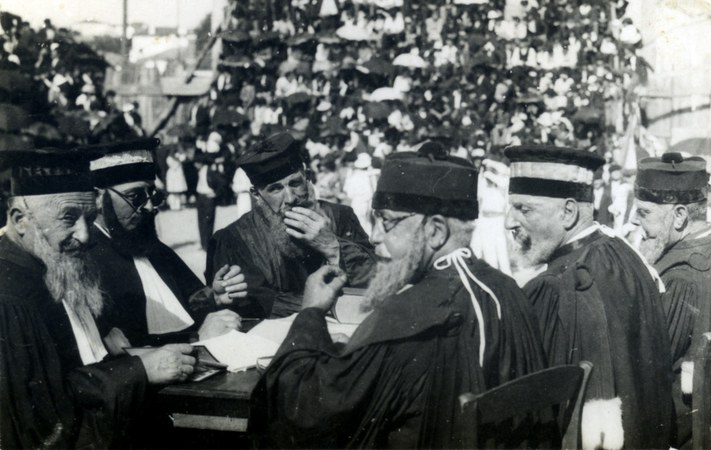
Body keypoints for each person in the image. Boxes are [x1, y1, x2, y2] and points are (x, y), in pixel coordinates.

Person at [249, 142, 555, 448]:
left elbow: (306, 408)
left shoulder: (403, 318)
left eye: (387, 221)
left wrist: (310, 315)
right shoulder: (507, 289)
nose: (375, 236)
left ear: (435, 231)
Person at [0, 148, 195, 448]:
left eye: (89, 218)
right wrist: (138, 370)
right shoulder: (9, 297)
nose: (85, 235)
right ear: (20, 220)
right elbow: (44, 424)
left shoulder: (51, 264)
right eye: (69, 218)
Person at [504, 144, 672, 450]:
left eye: (523, 209)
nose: (509, 222)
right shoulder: (621, 252)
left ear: (568, 212)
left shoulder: (556, 286)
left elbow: (536, 415)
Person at [631, 152, 711, 448]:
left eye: (644, 212)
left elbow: (646, 369)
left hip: (674, 433)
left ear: (680, 216)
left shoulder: (678, 277)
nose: (635, 221)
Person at [87, 139, 248, 350]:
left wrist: (215, 297)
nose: (149, 206)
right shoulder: (87, 261)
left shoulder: (153, 248)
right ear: (99, 198)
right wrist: (196, 338)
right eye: (135, 197)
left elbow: (189, 300)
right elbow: (126, 349)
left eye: (154, 195)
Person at [206, 132, 375, 318]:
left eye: (295, 183)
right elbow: (252, 304)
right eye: (275, 189)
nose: (290, 198)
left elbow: (375, 282)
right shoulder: (233, 239)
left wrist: (334, 248)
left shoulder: (341, 217)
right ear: (256, 195)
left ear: (307, 177)